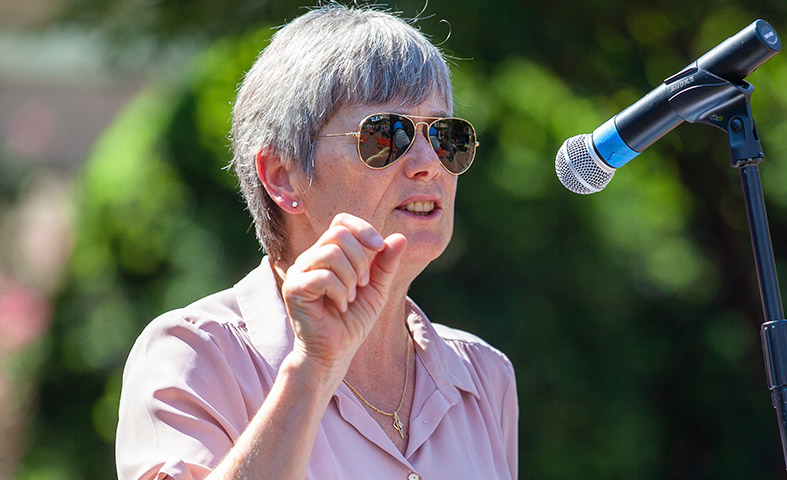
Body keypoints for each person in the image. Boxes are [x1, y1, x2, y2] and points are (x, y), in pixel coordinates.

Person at [115, 3, 518, 479]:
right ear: (283, 176)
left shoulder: (485, 378)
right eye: (388, 134)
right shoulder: (195, 355)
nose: (429, 162)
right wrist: (313, 367)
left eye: (446, 134)